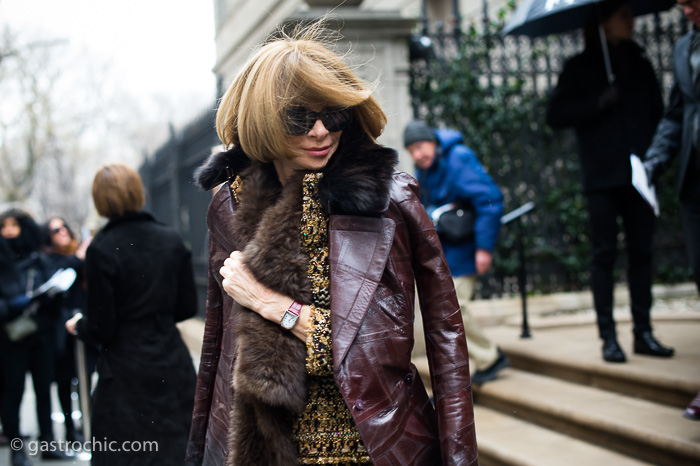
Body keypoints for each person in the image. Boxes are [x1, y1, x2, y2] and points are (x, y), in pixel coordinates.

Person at [185, 23, 478, 466]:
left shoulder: (386, 200)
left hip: (366, 443)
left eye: (334, 115)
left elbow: (420, 342)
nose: (322, 132)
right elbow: (220, 348)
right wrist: (203, 449)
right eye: (300, 119)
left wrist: (269, 303)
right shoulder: (230, 203)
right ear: (263, 120)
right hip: (266, 443)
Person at [546, 0, 673, 363]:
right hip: (602, 177)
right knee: (604, 255)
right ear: (604, 23)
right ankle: (609, 338)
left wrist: (653, 159)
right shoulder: (580, 67)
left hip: (640, 176)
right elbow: (555, 114)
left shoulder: (641, 62)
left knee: (642, 254)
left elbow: (658, 115)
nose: (631, 21)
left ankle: (643, 332)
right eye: (623, 15)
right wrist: (598, 102)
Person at [65, 164, 197, 466]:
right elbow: (187, 307)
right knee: (176, 448)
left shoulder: (101, 248)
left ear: (101, 200)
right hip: (170, 361)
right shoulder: (170, 239)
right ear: (138, 192)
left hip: (125, 369)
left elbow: (102, 325)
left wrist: (80, 325)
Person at [402, 120, 508, 385]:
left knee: (456, 309)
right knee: (447, 311)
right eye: (411, 150)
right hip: (444, 250)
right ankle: (474, 363)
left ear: (433, 142)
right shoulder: (425, 166)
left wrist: (484, 248)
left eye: (420, 147)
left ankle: (490, 357)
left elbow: (489, 199)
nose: (417, 154)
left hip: (464, 249)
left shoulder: (457, 158)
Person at [0, 209, 71, 466]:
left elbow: (57, 296)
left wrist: (50, 295)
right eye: (4, 226)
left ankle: (49, 443)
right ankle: (16, 449)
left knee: (44, 390)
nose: (9, 231)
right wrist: (11, 305)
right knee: (13, 392)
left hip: (41, 335)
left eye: (14, 225)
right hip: (11, 337)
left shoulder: (39, 259)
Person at [644, 0, 700, 297]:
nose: (688, 11)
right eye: (682, 4)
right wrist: (654, 161)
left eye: (693, 2)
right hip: (694, 178)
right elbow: (677, 114)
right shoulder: (683, 48)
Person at [41, 217, 94, 443]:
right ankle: (70, 430)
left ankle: (87, 425)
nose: (62, 231)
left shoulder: (81, 254)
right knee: (65, 380)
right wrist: (79, 255)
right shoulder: (47, 259)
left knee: (87, 377)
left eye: (64, 226)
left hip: (85, 324)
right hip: (61, 330)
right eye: (55, 230)